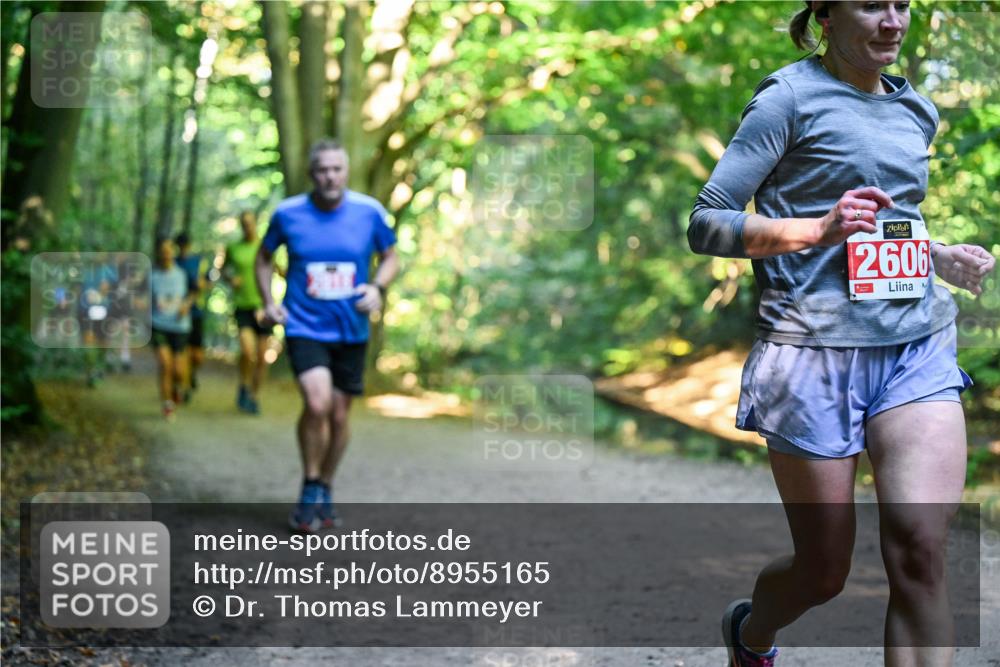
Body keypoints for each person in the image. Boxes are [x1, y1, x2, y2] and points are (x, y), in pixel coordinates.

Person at [687, 3, 996, 666]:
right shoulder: (787, 99)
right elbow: (706, 224)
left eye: (902, 5)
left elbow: (888, 219)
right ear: (826, 16)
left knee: (920, 549)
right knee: (823, 571)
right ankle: (751, 630)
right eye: (871, 4)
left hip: (914, 342)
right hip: (810, 353)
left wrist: (937, 254)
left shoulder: (918, 110)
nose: (892, 22)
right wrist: (812, 230)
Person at [255, 138, 399, 533]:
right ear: (311, 174)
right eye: (322, 169)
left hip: (351, 328)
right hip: (304, 324)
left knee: (339, 414)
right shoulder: (288, 214)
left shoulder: (369, 212)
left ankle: (325, 485)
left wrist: (377, 289)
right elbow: (264, 258)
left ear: (346, 171)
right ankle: (309, 483)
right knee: (316, 405)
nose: (330, 176)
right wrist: (269, 301)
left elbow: (391, 256)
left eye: (336, 168)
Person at [223, 211, 272, 414]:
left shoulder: (266, 246)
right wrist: (230, 279)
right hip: (243, 306)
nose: (247, 227)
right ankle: (243, 384)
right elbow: (224, 269)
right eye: (244, 224)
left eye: (250, 223)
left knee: (262, 357)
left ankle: (253, 395)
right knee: (247, 351)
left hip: (263, 306)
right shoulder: (233, 248)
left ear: (256, 224)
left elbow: (275, 268)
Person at [150, 236, 193, 421]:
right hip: (159, 325)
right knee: (164, 364)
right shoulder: (152, 276)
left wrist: (186, 305)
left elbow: (195, 291)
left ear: (173, 252)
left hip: (180, 327)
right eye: (163, 251)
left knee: (178, 371)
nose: (167, 254)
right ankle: (167, 404)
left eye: (169, 250)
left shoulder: (183, 274)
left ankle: (176, 389)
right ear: (159, 254)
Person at [176, 232, 208, 397]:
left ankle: (192, 375)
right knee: (184, 351)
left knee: (197, 356)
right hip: (179, 314)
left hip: (196, 312)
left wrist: (202, 284)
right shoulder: (175, 263)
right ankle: (185, 385)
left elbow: (206, 282)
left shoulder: (198, 262)